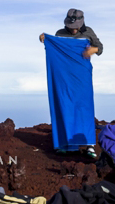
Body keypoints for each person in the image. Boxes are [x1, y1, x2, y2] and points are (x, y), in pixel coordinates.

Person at [39, 8, 102, 157]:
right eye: (72, 27)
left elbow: (100, 48)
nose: (74, 30)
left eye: (77, 27)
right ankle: (66, 144)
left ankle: (89, 145)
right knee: (65, 105)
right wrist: (44, 39)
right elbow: (55, 51)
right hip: (64, 77)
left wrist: (90, 51)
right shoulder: (60, 34)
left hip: (82, 76)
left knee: (84, 106)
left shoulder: (88, 32)